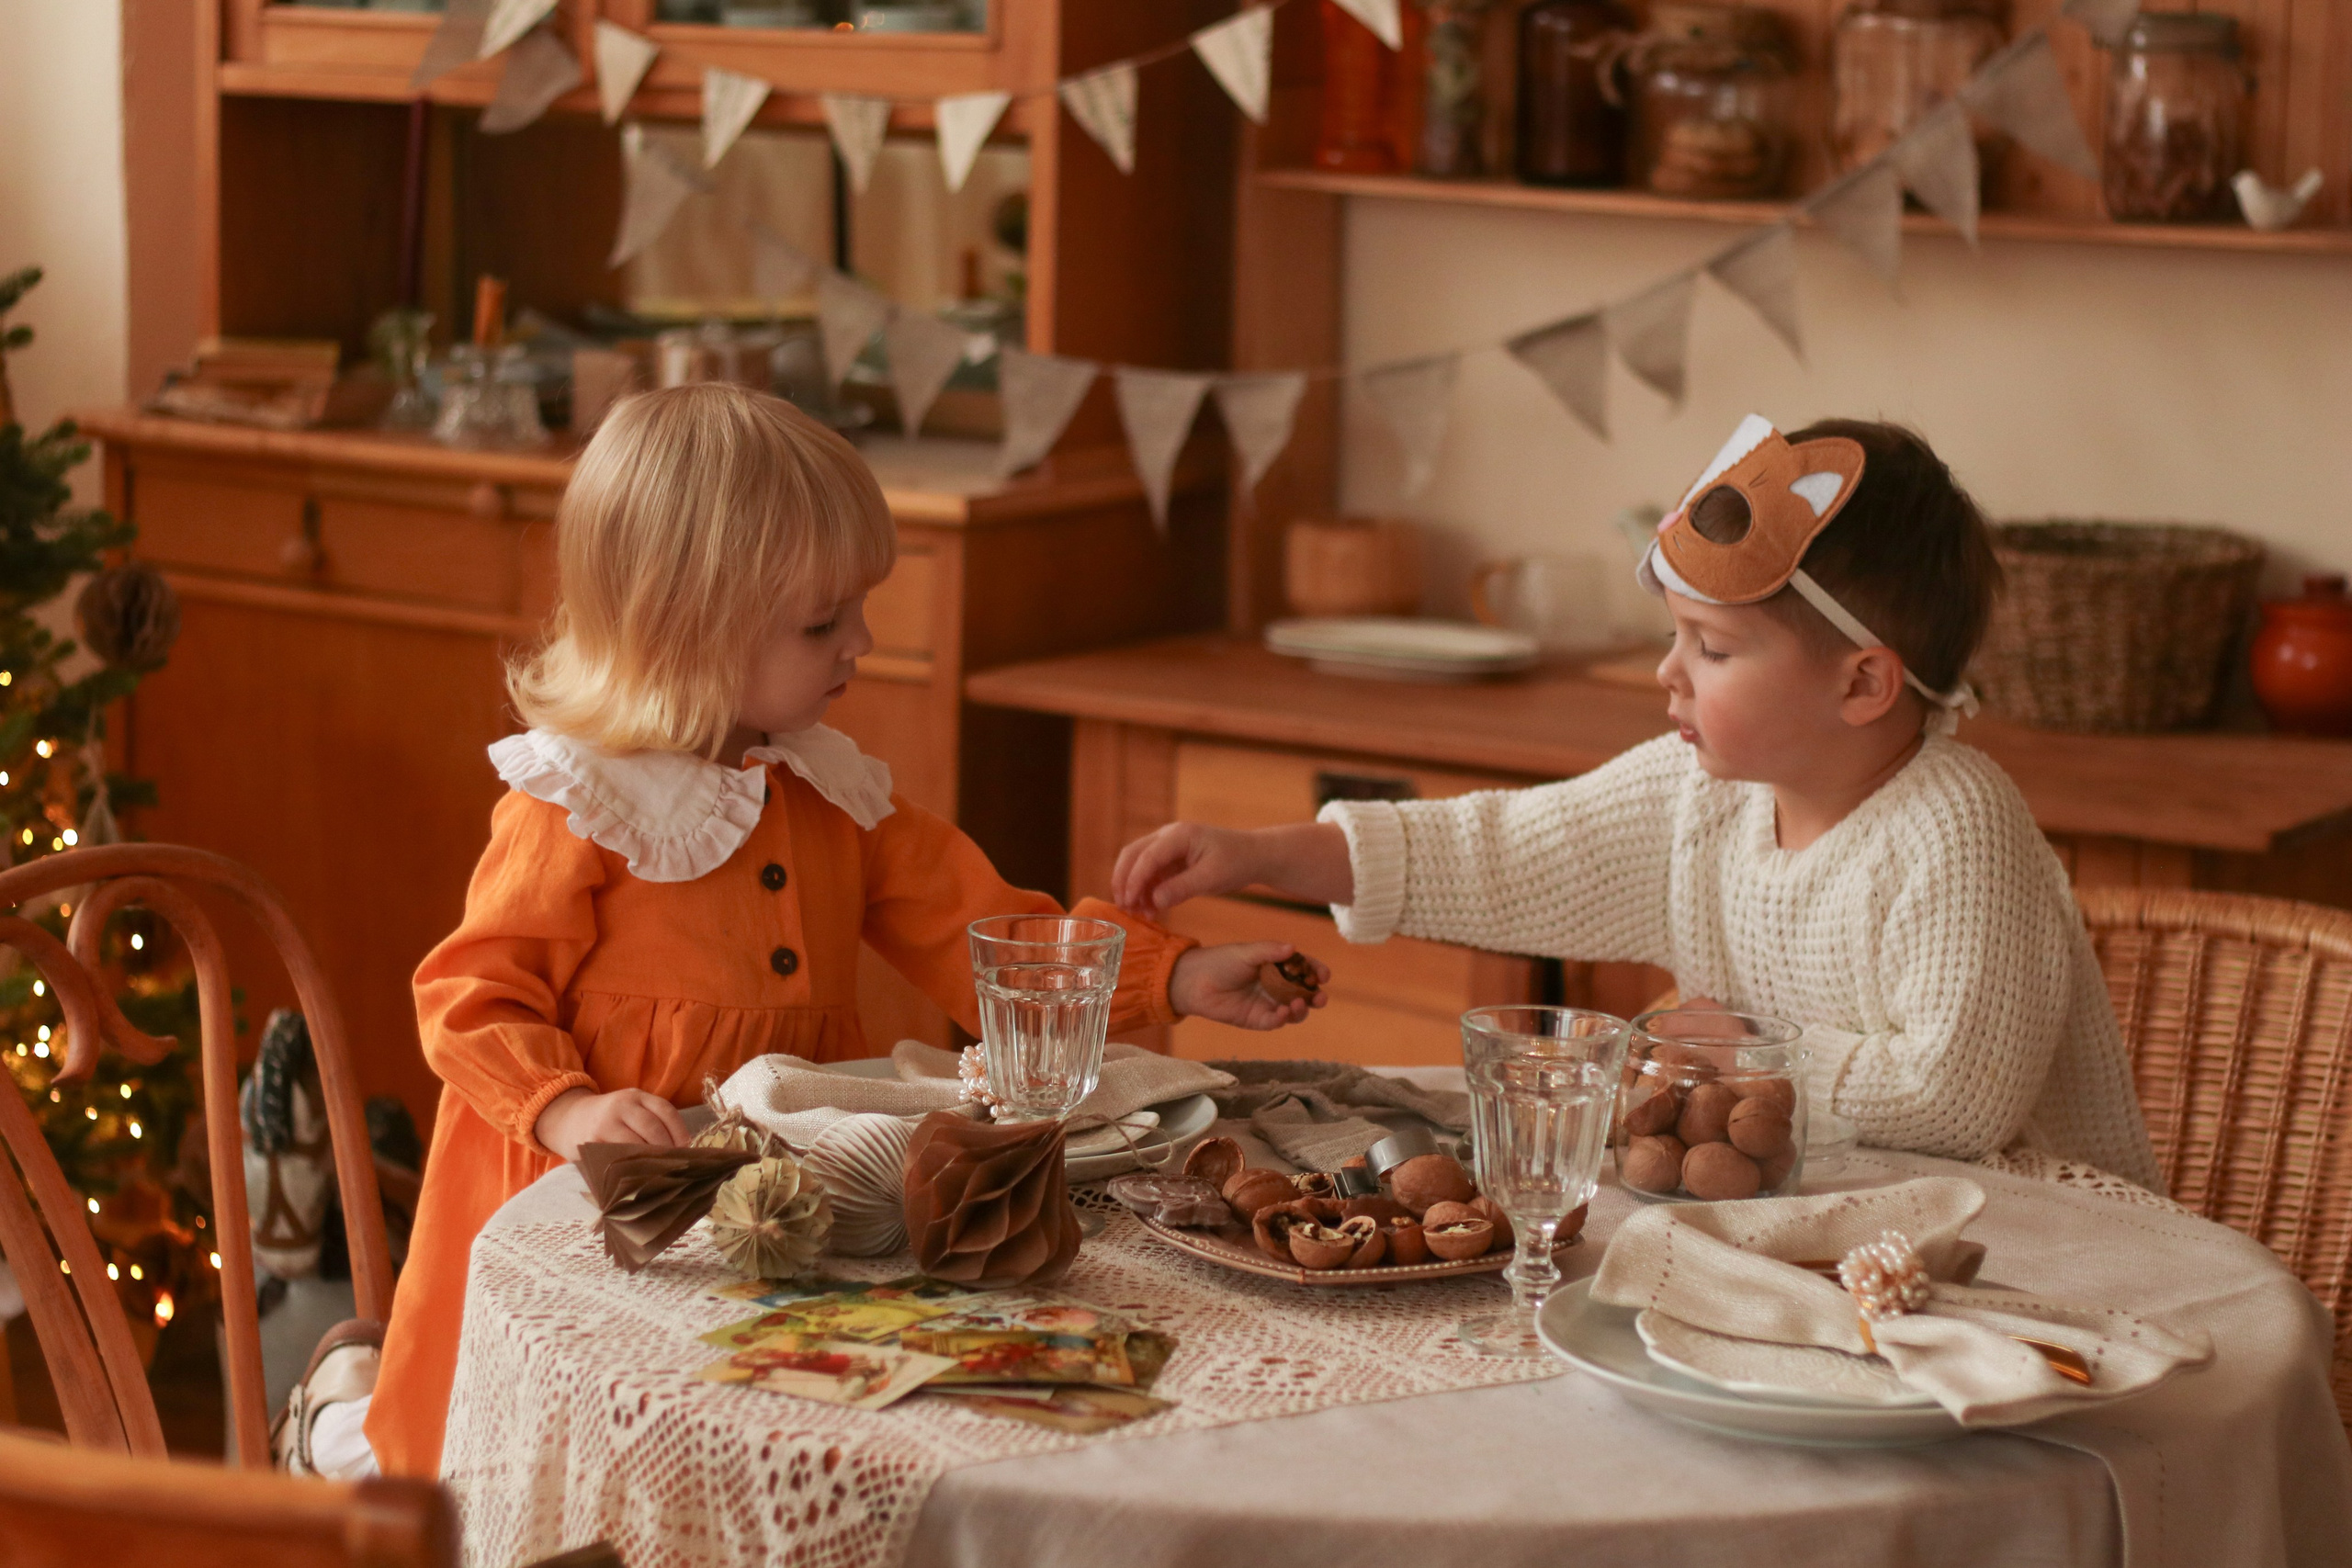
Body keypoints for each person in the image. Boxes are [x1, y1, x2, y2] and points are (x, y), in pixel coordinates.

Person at [356, 385, 1325, 1478]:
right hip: (600, 1214)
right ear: (686, 628)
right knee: (595, 1456)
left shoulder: (830, 793)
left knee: (758, 1432)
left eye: (856, 609)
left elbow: (991, 939)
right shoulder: (576, 802)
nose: (860, 642)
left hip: (778, 1215)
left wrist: (1179, 977)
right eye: (823, 622)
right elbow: (469, 997)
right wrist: (572, 1109)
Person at [1114, 414, 2159, 1191]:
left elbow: (1955, 1098)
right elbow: (1500, 852)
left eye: (1712, 648)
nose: (1669, 672)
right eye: (1675, 634)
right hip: (1813, 1227)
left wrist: (1742, 1052)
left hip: (2025, 1253)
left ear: (1862, 685)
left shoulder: (1955, 827)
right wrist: (1260, 854)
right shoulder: (1702, 798)